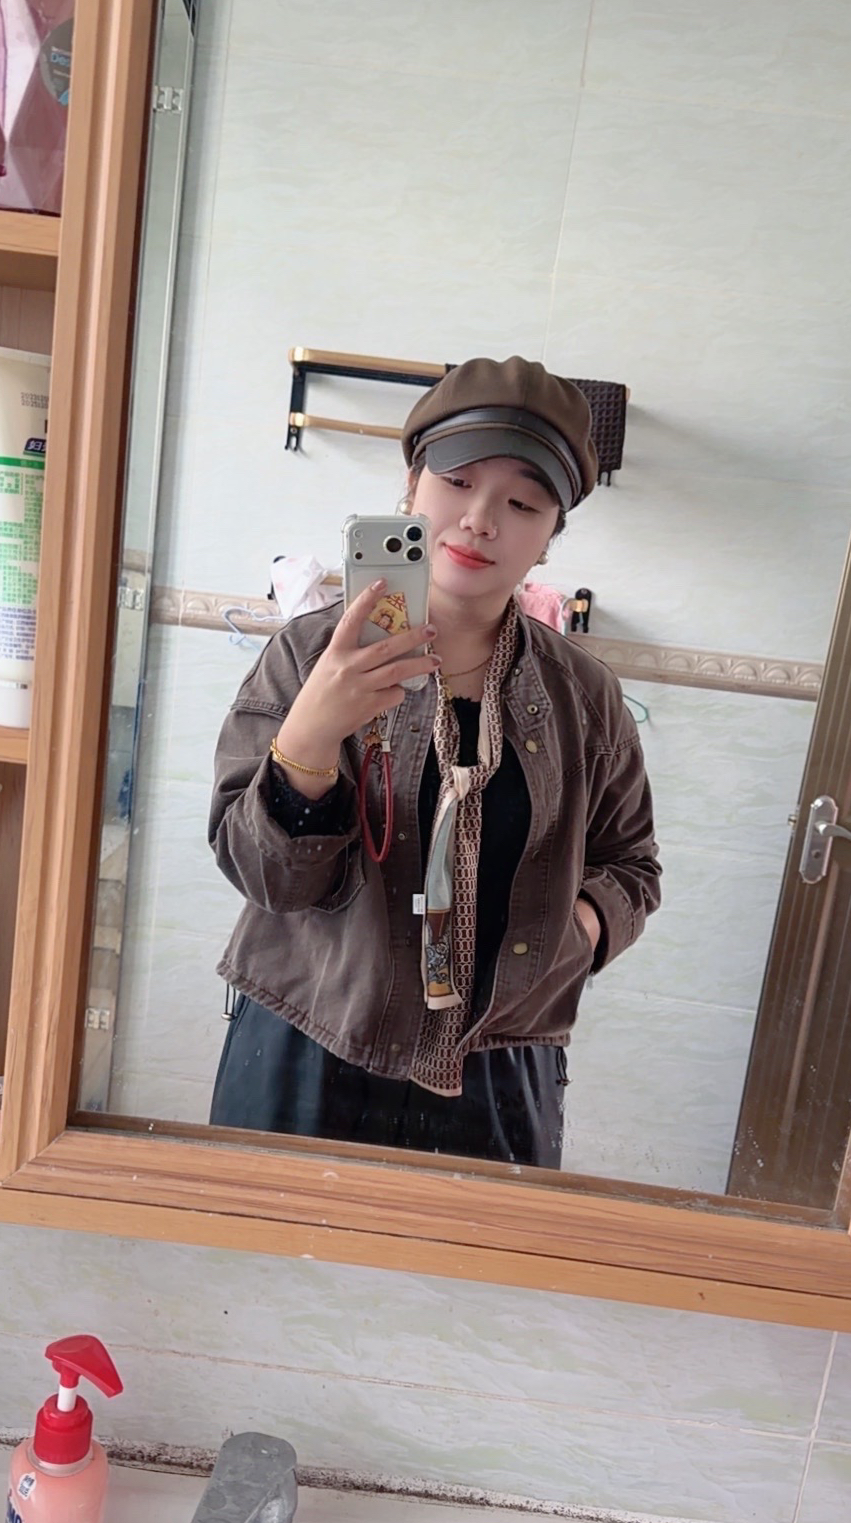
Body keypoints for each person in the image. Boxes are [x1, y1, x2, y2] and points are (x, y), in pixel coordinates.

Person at [207, 357, 661, 1167]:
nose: (480, 520)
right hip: (306, 1041)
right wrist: (312, 734)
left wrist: (579, 934)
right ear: (411, 486)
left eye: (522, 503)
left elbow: (631, 865)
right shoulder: (307, 657)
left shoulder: (585, 698)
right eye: (458, 482)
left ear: (549, 539)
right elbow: (266, 880)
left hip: (499, 1068)